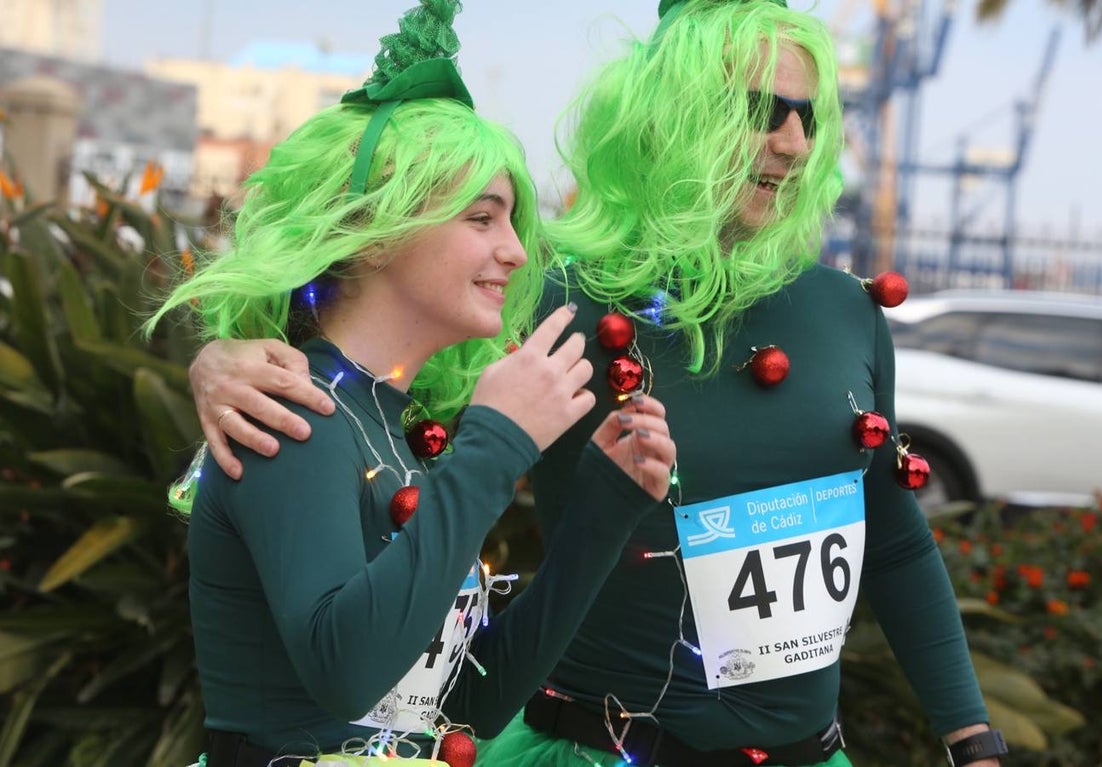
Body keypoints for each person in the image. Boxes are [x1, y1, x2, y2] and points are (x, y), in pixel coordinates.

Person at [184, 1, 1009, 766]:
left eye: (808, 116)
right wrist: (222, 361)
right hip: (588, 745)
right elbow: (372, 369)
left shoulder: (843, 311)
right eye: (762, 111)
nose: (792, 142)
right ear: (674, 117)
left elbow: (893, 535)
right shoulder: (554, 306)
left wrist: (970, 732)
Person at [146, 2, 676, 765]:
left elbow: (471, 702)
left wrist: (604, 506)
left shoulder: (377, 423)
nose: (516, 252)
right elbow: (346, 672)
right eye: (483, 218)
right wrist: (496, 443)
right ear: (377, 228)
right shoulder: (288, 409)